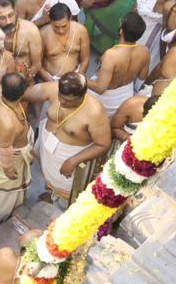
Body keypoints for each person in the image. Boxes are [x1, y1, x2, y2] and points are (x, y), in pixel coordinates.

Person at [26, 73, 112, 203]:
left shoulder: (95, 112)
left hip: (70, 156)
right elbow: (25, 94)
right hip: (48, 146)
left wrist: (74, 160)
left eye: (68, 100)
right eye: (61, 96)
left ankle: (59, 201)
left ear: (81, 96)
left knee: (66, 192)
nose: (62, 101)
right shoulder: (54, 88)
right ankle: (51, 193)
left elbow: (103, 144)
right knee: (48, 176)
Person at [0, 73, 32, 231]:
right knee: (3, 191)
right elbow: (5, 149)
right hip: (6, 158)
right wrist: (8, 168)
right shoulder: (8, 122)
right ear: (23, 93)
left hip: (0, 144)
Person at [87, 12, 150, 118]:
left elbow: (100, 88)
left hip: (104, 100)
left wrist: (81, 77)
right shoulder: (145, 51)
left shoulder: (111, 55)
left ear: (121, 31)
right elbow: (142, 76)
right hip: (125, 96)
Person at [0, 0, 43, 82]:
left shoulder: (31, 30)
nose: (8, 21)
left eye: (10, 15)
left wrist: (21, 83)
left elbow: (37, 65)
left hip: (25, 80)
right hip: (0, 81)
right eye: (2, 18)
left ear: (15, 12)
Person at [39, 3, 91, 82]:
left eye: (64, 26)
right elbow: (37, 64)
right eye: (56, 27)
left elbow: (85, 59)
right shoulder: (43, 34)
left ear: (70, 19)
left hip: (76, 76)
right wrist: (49, 80)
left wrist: (79, 76)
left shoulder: (81, 31)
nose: (61, 30)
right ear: (50, 21)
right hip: (51, 78)